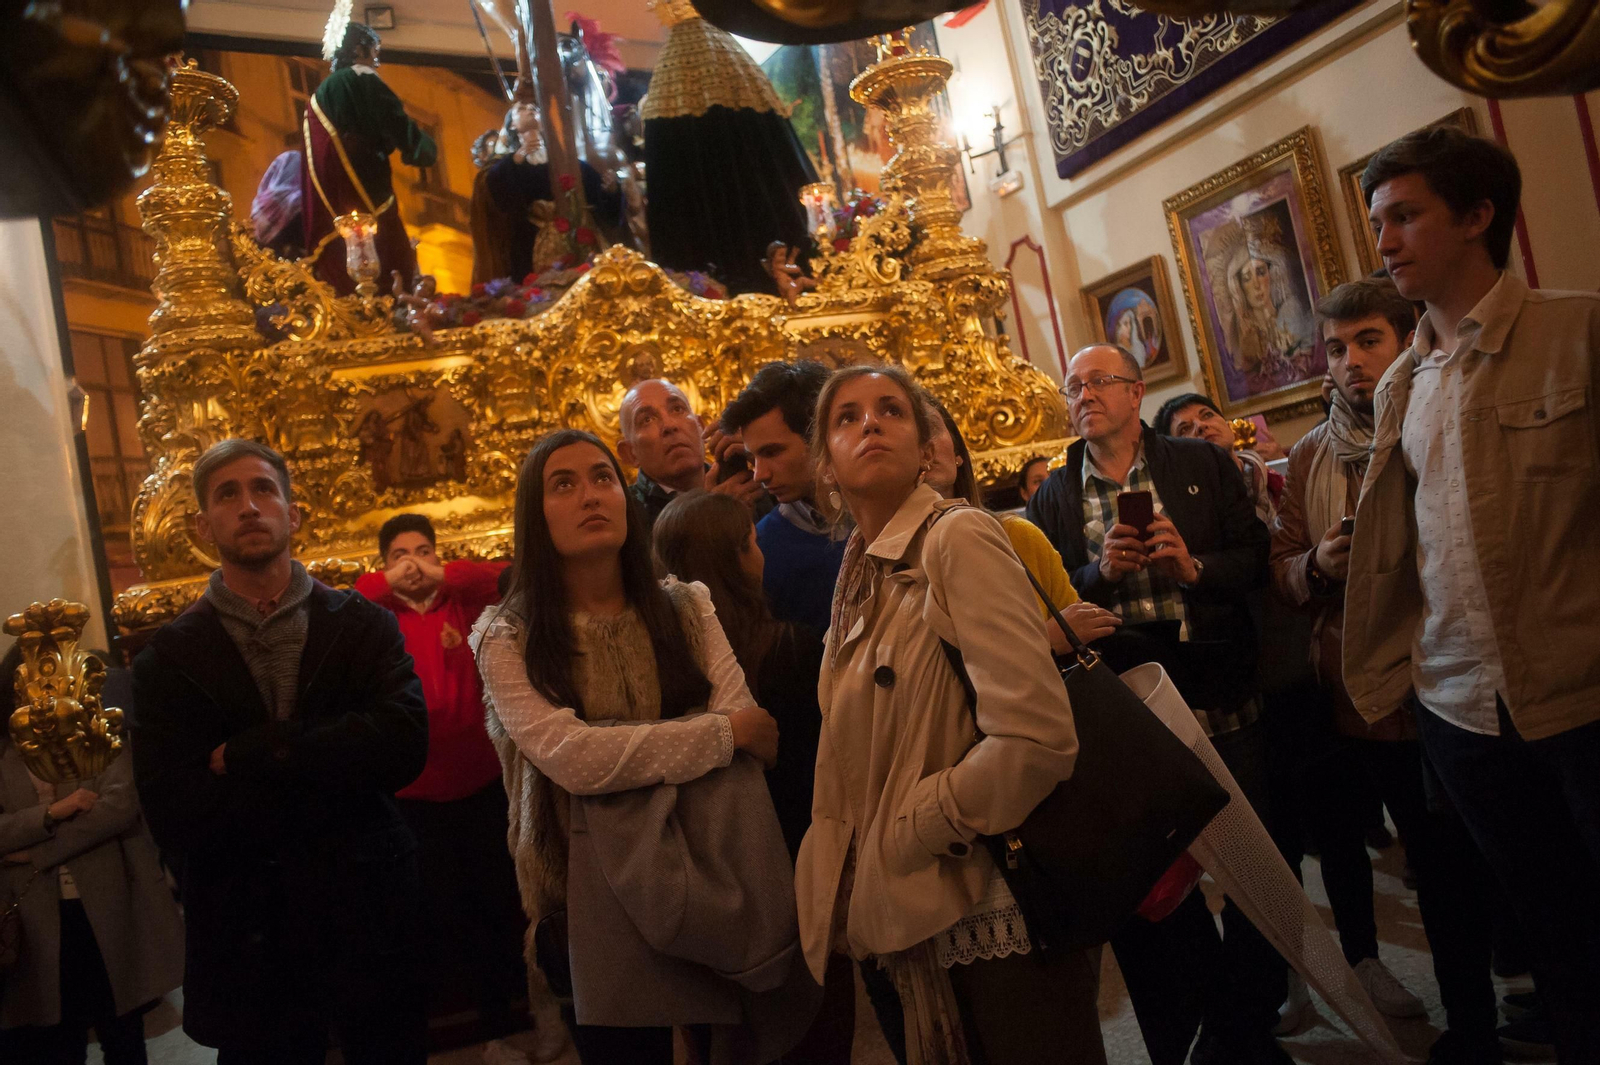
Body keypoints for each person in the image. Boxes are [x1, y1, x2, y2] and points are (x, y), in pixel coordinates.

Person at [1346, 125, 1600, 1063]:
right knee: (1553, 935)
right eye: (1379, 222)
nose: (1386, 241)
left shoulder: (1580, 332)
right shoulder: (1400, 384)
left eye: (1405, 216)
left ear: (1479, 215)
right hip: (1460, 710)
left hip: (1579, 693)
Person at [794, 363, 1106, 1065]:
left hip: (990, 889)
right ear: (827, 467)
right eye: (846, 417)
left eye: (890, 411)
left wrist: (918, 821)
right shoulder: (859, 576)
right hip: (916, 893)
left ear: (927, 448)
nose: (869, 422)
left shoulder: (955, 536)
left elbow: (1037, 736)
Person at [470, 429, 787, 1065]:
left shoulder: (687, 608)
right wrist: (719, 736)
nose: (590, 495)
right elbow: (576, 760)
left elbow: (751, 723)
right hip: (584, 900)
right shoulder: (506, 636)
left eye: (602, 477)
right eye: (563, 483)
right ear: (536, 512)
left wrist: (724, 732)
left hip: (709, 874)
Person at [1270, 279, 1514, 1063]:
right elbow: (1281, 564)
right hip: (1346, 686)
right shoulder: (1310, 451)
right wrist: (1318, 560)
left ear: (1406, 336)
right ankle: (1453, 1015)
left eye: (1368, 341)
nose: (1350, 363)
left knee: (1455, 866)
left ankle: (1487, 1012)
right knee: (1364, 845)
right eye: (1336, 348)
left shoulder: (1436, 414)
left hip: (1440, 676)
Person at [129, 439, 430, 1065]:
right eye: (227, 494)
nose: (248, 506)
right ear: (200, 525)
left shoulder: (362, 625)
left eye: (264, 489)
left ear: (292, 514)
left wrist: (256, 753)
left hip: (365, 905)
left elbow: (402, 745)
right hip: (246, 924)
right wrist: (334, 762)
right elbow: (174, 808)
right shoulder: (168, 659)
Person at [1025, 344, 1286, 1065]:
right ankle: (1205, 1024)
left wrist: (1192, 567)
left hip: (1213, 684)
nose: (1083, 394)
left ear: (1137, 392)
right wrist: (1097, 572)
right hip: (1129, 705)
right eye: (1073, 385)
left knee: (1252, 860)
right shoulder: (1052, 492)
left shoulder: (1199, 465)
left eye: (1099, 381)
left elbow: (1254, 554)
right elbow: (1048, 601)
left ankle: (1250, 1021)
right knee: (1161, 878)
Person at [652, 489, 853, 1065]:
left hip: (706, 881)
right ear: (738, 558)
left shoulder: (657, 666)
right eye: (754, 543)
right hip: (795, 866)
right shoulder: (788, 650)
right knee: (815, 1035)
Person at [352, 516, 556, 1065]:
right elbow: (358, 590)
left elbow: (497, 575)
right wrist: (393, 576)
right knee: (440, 917)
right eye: (399, 555)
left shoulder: (463, 606)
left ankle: (518, 1020)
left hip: (484, 787)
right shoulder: (379, 614)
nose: (413, 565)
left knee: (500, 906)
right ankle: (470, 1033)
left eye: (423, 552)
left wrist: (436, 571)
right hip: (416, 797)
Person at [0, 648, 185, 1065]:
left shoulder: (101, 737)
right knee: (58, 1038)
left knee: (123, 1032)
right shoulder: (4, 752)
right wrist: (49, 813)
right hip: (32, 917)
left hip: (110, 902)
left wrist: (30, 852)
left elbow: (118, 808)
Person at [924, 397, 1120, 652]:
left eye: (930, 428)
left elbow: (1081, 635)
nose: (923, 446)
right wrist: (1043, 641)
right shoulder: (878, 564)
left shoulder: (1017, 536)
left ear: (957, 453)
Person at [301, 20, 437, 294]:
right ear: (360, 50)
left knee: (345, 253)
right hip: (365, 181)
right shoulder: (361, 77)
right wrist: (422, 148)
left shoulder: (321, 93)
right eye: (375, 50)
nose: (377, 60)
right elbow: (396, 122)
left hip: (334, 192)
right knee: (389, 256)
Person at [719, 359, 846, 634]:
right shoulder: (762, 548)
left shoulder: (890, 510)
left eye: (772, 452)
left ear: (820, 436)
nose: (759, 475)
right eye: (752, 458)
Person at [616, 378, 765, 534]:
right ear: (630, 452)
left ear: (701, 426)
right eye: (647, 420)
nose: (669, 426)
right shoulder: (625, 516)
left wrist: (766, 458)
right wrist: (717, 520)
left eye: (677, 409)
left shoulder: (748, 479)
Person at [1154, 392, 1283, 524]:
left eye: (1207, 415)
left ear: (1228, 426)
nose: (1201, 425)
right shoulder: (1186, 512)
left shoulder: (1274, 481)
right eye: (1185, 429)